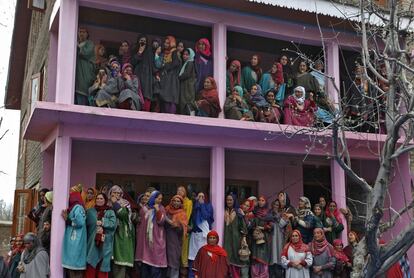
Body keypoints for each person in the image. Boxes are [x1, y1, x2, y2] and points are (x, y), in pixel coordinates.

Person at [85, 193, 116, 278]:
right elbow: (84, 223)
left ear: (105, 200)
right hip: (92, 243)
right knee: (91, 265)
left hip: (105, 243)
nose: (99, 200)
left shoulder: (110, 211)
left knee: (102, 268)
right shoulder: (90, 211)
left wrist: (103, 222)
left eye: (101, 198)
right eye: (97, 198)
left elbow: (113, 224)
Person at [137, 190, 167, 278]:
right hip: (145, 242)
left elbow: (161, 221)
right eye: (158, 198)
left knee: (155, 268)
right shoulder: (144, 209)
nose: (159, 200)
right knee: (145, 268)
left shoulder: (161, 208)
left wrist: (157, 210)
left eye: (161, 199)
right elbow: (140, 224)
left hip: (156, 242)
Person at [108, 185, 135, 277]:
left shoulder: (125, 203)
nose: (116, 195)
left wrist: (115, 203)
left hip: (121, 234)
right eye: (114, 193)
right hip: (109, 235)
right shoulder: (106, 203)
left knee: (119, 261)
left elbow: (123, 215)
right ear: (110, 193)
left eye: (118, 193)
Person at [188, 192, 214, 278]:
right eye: (199, 196)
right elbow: (192, 219)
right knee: (192, 260)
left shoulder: (208, 206)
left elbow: (206, 216)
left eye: (203, 196)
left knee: (204, 260)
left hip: (204, 238)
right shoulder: (195, 207)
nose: (201, 198)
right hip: (195, 237)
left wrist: (202, 205)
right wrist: (197, 205)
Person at [62, 190, 87, 277]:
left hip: (76, 239)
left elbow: (80, 222)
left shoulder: (78, 207)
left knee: (74, 267)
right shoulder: (74, 207)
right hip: (75, 237)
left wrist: (68, 220)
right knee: (72, 268)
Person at [223, 193, 248, 278]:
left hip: (236, 240)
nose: (229, 201)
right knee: (226, 261)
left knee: (235, 262)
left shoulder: (238, 211)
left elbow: (244, 227)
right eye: (227, 200)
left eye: (230, 200)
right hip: (226, 239)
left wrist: (243, 237)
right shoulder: (223, 211)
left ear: (234, 201)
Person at [264, 199, 289, 278]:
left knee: (278, 254)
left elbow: (282, 225)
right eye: (274, 204)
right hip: (271, 236)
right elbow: (265, 221)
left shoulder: (282, 214)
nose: (275, 206)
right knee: (271, 255)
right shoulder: (269, 214)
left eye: (277, 205)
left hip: (279, 237)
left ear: (279, 206)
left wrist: (278, 218)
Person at [165, 195, 188, 278]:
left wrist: (178, 226)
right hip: (165, 241)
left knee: (174, 263)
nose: (176, 203)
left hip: (175, 243)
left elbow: (183, 229)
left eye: (178, 201)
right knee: (165, 264)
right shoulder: (166, 210)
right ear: (172, 201)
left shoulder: (183, 214)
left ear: (181, 203)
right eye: (174, 200)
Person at [131, 35, 155, 111]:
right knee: (137, 92)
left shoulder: (150, 51)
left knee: (146, 95)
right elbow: (133, 62)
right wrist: (139, 52)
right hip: (138, 75)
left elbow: (152, 64)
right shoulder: (135, 50)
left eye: (144, 41)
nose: (143, 42)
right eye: (141, 40)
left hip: (147, 76)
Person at [250, 196, 271, 277]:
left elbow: (271, 226)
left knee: (263, 258)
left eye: (263, 200)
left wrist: (263, 227)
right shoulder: (254, 212)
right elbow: (251, 225)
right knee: (255, 259)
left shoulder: (268, 213)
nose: (261, 202)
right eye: (259, 200)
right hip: (255, 238)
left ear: (265, 202)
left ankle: (263, 276)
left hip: (265, 239)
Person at [159, 35, 181, 114]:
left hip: (171, 80)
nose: (165, 44)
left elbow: (176, 63)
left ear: (171, 44)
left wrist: (165, 66)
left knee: (170, 99)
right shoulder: (163, 53)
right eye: (165, 42)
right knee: (164, 99)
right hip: (165, 79)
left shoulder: (174, 52)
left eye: (168, 43)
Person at [75, 27, 95, 105]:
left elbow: (86, 53)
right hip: (77, 77)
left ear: (87, 34)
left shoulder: (89, 43)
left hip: (85, 75)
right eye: (80, 31)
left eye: (84, 32)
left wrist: (78, 47)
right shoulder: (76, 43)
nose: (81, 34)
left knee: (82, 101)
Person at [176, 185, 193, 276]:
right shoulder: (175, 201)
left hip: (184, 230)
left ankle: (183, 274)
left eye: (182, 190)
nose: (179, 192)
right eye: (178, 190)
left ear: (185, 192)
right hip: (175, 231)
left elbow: (187, 216)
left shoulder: (189, 202)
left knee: (183, 253)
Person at [178, 48, 197, 115]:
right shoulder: (186, 63)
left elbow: (186, 74)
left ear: (191, 55)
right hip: (186, 87)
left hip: (188, 89)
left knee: (187, 104)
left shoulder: (190, 63)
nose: (184, 56)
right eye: (184, 54)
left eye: (187, 54)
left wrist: (178, 77)